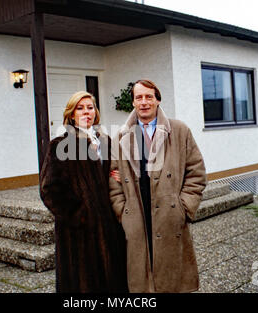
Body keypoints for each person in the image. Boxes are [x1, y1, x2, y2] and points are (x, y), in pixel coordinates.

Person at [109, 79, 207, 293]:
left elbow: (196, 173)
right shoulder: (120, 137)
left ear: (158, 100)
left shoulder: (179, 131)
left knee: (172, 278)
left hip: (169, 216)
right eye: (139, 97)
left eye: (149, 97)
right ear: (133, 102)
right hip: (136, 215)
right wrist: (122, 211)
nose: (144, 102)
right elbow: (112, 180)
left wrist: (183, 207)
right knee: (141, 280)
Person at [40, 91, 128, 293]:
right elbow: (49, 189)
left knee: (112, 280)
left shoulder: (105, 141)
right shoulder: (60, 145)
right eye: (80, 108)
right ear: (71, 114)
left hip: (109, 224)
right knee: (83, 285)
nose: (86, 112)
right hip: (78, 233)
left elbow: (111, 171)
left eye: (90, 107)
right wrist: (79, 216)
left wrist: (117, 176)